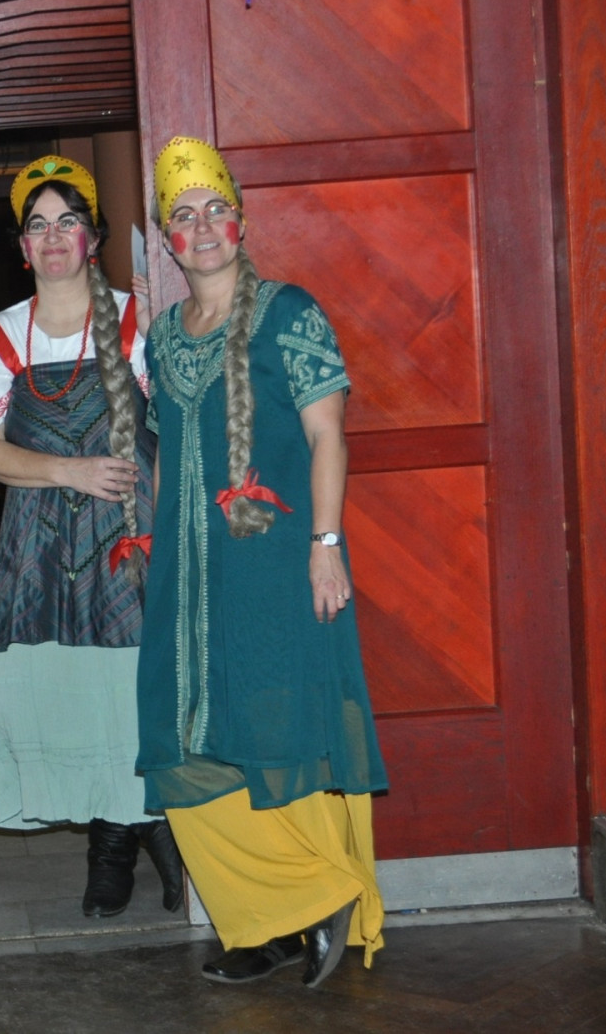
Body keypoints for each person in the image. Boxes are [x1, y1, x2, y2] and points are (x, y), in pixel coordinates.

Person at [134, 135, 387, 988]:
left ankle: (317, 895)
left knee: (280, 729)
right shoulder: (162, 338)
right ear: (168, 238)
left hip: (276, 562)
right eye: (184, 216)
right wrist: (156, 555)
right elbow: (168, 454)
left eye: (216, 210)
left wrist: (326, 545)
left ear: (239, 221)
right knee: (180, 745)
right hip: (188, 577)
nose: (202, 227)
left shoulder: (290, 312)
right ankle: (268, 916)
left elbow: (328, 435)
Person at [0, 155, 183, 919]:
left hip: (132, 531)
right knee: (72, 694)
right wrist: (71, 471)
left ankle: (136, 830)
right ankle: (118, 841)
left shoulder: (138, 319)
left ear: (93, 237)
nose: (53, 237)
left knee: (134, 687)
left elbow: (181, 419)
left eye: (68, 222)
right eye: (38, 225)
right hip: (42, 543)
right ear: (23, 247)